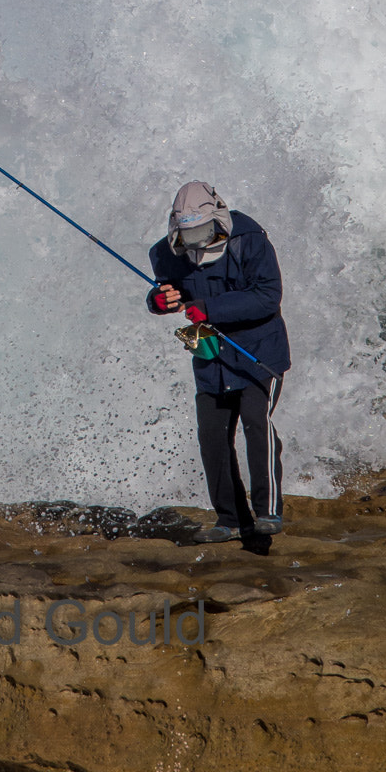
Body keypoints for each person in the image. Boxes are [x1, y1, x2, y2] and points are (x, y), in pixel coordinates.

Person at [147, 181, 290, 543]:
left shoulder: (250, 239)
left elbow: (268, 296)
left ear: (218, 219)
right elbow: (164, 290)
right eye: (188, 234)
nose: (195, 243)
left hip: (258, 352)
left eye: (202, 232)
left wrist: (209, 308)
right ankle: (229, 520)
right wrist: (158, 301)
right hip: (211, 356)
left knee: (256, 423)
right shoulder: (164, 253)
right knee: (212, 436)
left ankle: (268, 512)